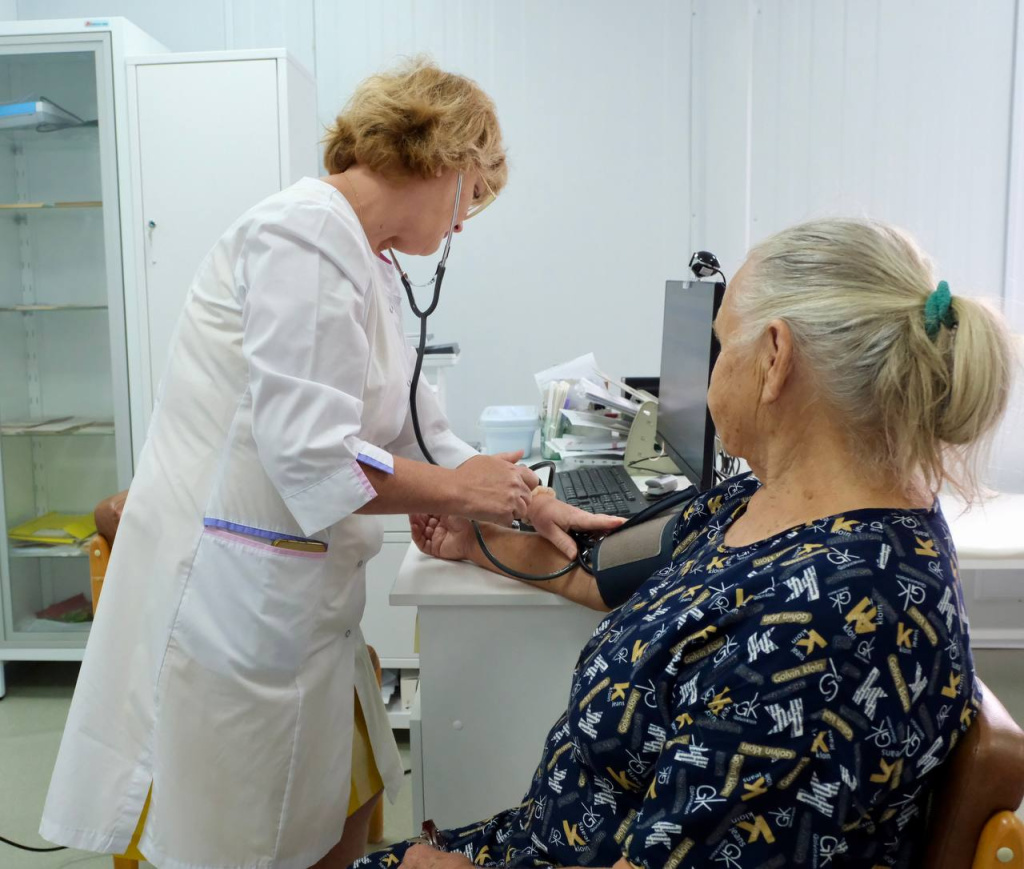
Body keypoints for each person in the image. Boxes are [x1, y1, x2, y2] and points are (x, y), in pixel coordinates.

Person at [39, 59, 619, 869]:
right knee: (232, 842)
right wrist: (461, 489)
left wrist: (523, 497)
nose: (463, 223)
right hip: (237, 605)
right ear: (442, 159)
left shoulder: (367, 258)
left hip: (302, 604)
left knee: (320, 816)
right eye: (474, 194)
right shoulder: (305, 232)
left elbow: (417, 429)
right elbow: (309, 454)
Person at [361, 217, 1015, 869]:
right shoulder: (770, 505)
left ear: (774, 358)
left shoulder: (824, 637)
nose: (710, 370)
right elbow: (606, 574)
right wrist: (480, 543)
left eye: (721, 342)